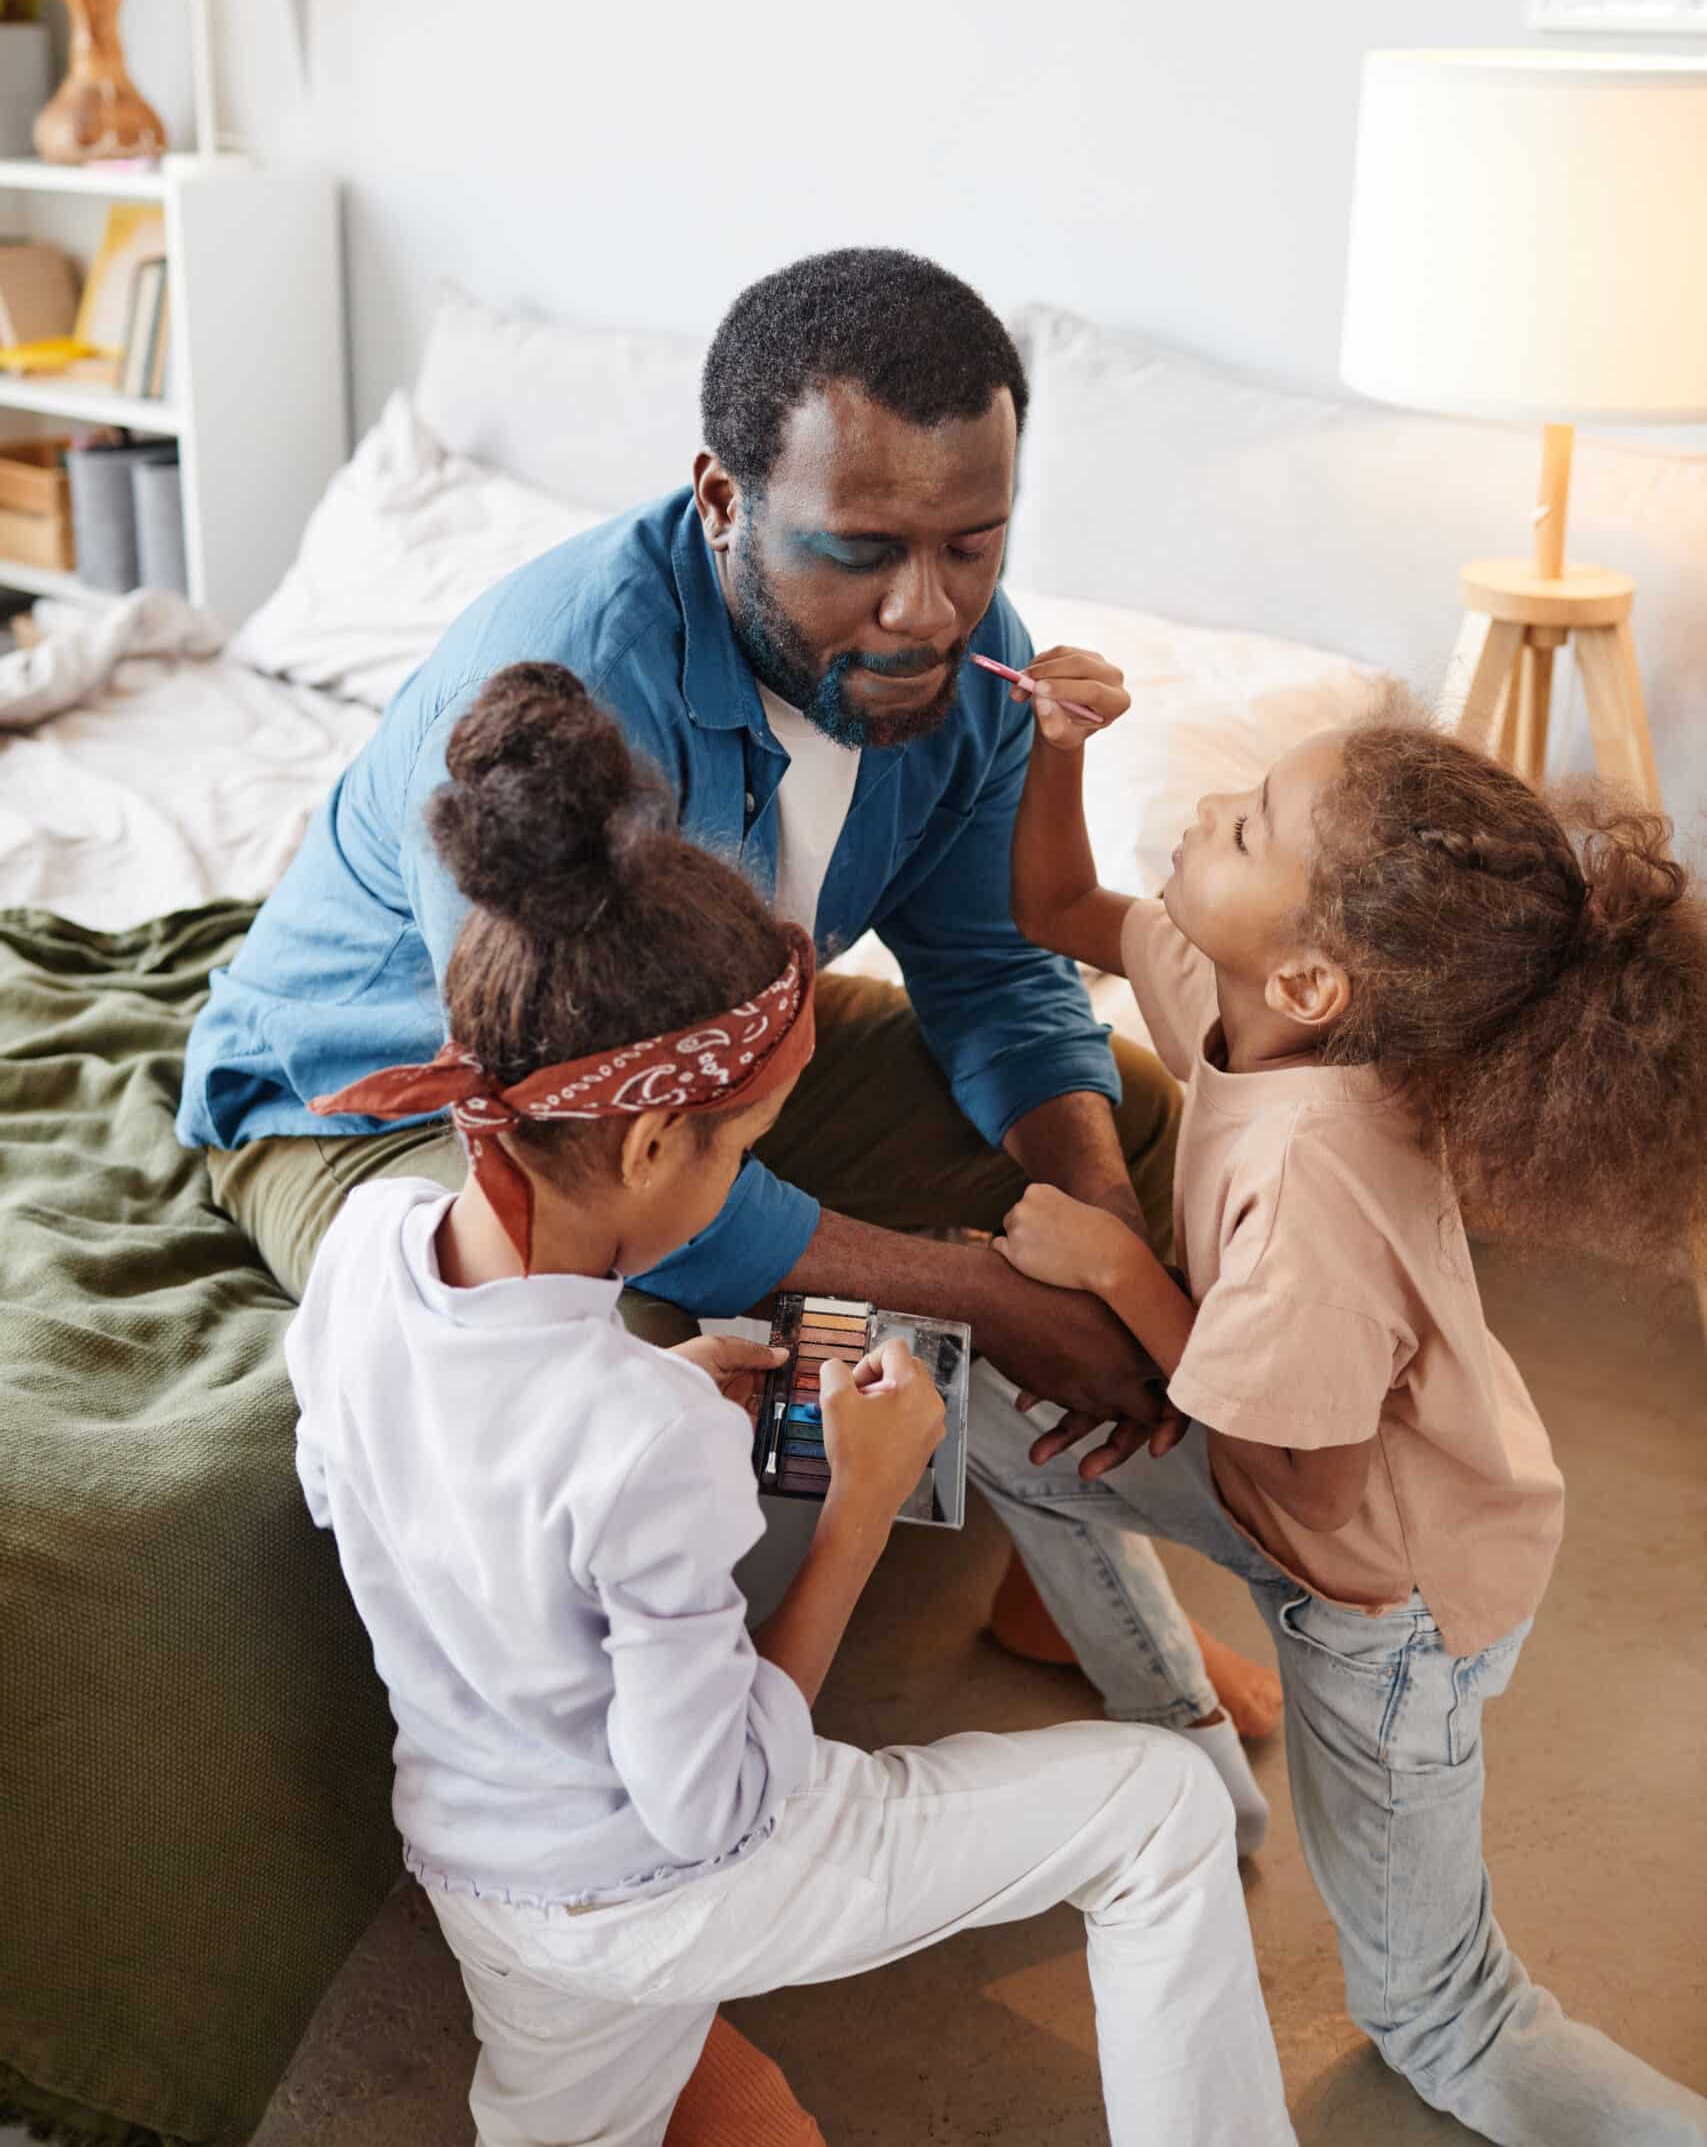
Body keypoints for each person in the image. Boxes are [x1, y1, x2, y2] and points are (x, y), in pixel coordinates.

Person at [179, 245, 1272, 1809]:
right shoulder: (568, 697)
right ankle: (608, 1853)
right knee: (579, 1368)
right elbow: (589, 1163)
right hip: (411, 1093)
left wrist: (1098, 1235)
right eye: (862, 552)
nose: (925, 610)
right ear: (719, 498)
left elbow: (994, 968)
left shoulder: (971, 652)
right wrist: (992, 1294)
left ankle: (1049, 1559)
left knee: (1155, 1123)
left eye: (973, 544)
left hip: (723, 1052)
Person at [285, 660, 1297, 2147]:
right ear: (643, 1154)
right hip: (663, 1887)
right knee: (1160, 1810)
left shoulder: (369, 1256)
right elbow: (718, 1806)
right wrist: (864, 1510)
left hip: (475, 1868)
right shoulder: (646, 1443)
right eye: (741, 1154)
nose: (747, 1189)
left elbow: (368, 1479)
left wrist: (658, 1383)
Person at [973, 645, 1707, 2146]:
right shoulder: (1258, 1009)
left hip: (1384, 1607)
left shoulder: (1317, 1177)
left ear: (1311, 974)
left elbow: (1299, 1486)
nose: (1205, 809)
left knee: (1443, 2018)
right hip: (1300, 1483)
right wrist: (1055, 748)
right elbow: (1051, 910)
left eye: (1245, 825)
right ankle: (1177, 1737)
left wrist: (1117, 1270)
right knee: (1002, 1414)